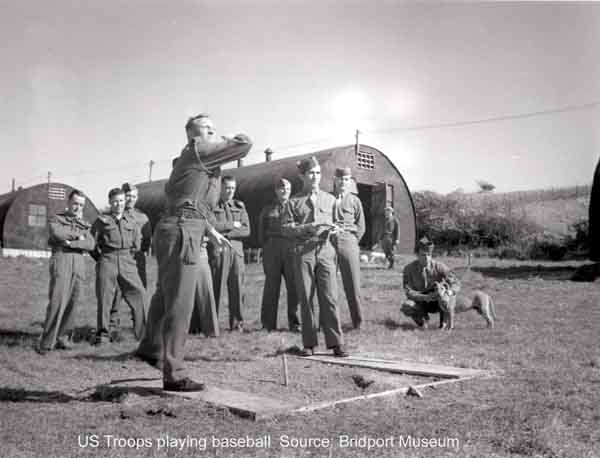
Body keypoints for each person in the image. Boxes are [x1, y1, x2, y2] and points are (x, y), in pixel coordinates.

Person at [135, 113, 251, 392]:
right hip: (182, 231)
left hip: (181, 226)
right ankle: (174, 373)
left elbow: (191, 203)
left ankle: (151, 348)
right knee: (181, 302)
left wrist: (209, 229)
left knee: (165, 295)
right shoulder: (200, 151)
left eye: (214, 129)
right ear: (194, 136)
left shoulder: (197, 160)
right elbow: (245, 144)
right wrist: (221, 138)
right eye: (208, 129)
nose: (214, 133)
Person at [284, 156, 348, 357]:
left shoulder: (329, 199)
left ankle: (336, 343)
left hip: (326, 251)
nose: (315, 177)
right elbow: (286, 228)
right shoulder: (293, 202)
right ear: (302, 176)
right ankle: (309, 344)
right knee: (307, 298)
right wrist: (307, 227)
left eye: (318, 173)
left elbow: (339, 221)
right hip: (304, 253)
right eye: (311, 173)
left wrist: (336, 229)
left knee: (330, 297)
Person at [38, 189, 95, 354]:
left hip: (78, 264)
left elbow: (90, 244)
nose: (78, 207)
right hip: (62, 260)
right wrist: (79, 237)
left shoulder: (85, 223)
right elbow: (57, 233)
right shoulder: (57, 218)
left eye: (81, 205)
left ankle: (64, 339)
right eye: (75, 203)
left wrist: (71, 243)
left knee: (73, 302)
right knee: (57, 300)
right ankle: (47, 342)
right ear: (68, 203)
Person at [91, 188, 147, 344]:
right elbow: (92, 244)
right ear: (110, 202)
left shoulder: (131, 221)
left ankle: (142, 334)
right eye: (115, 201)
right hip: (107, 259)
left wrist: (128, 257)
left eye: (121, 200)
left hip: (126, 259)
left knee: (140, 294)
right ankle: (103, 335)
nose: (119, 204)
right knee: (105, 298)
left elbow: (136, 244)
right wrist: (101, 259)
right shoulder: (101, 221)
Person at [108, 182, 152, 340]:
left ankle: (140, 329)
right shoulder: (114, 215)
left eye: (133, 196)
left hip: (137, 259)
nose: (130, 199)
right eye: (128, 196)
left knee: (140, 293)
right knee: (116, 294)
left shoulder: (142, 217)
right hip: (119, 258)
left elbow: (147, 239)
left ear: (137, 198)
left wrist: (138, 251)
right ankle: (112, 328)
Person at [258, 178, 300, 332]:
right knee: (271, 286)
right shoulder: (268, 209)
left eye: (288, 188)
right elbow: (261, 232)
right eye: (281, 188)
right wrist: (267, 247)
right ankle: (268, 324)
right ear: (276, 190)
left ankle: (295, 323)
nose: (285, 191)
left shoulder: (296, 207)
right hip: (273, 249)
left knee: (294, 286)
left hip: (291, 248)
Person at [208, 175, 250, 331]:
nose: (230, 191)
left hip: (236, 252)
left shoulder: (239, 206)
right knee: (216, 287)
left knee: (238, 289)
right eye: (227, 188)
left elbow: (246, 230)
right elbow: (213, 226)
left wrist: (227, 232)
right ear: (221, 188)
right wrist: (233, 225)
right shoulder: (212, 206)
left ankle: (237, 323)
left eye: (233, 188)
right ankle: (213, 323)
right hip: (219, 251)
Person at [400, 236, 461, 329]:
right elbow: (408, 291)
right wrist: (425, 297)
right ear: (417, 255)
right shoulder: (409, 269)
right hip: (421, 300)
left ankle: (443, 323)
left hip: (438, 300)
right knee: (407, 306)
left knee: (447, 297)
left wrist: (449, 292)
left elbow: (455, 282)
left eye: (429, 255)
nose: (427, 258)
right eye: (423, 255)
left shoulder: (439, 267)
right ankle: (423, 322)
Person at [332, 167, 365, 330]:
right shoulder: (327, 198)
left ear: (349, 181)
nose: (343, 182)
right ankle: (329, 322)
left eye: (346, 180)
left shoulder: (354, 201)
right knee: (328, 286)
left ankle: (358, 322)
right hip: (329, 243)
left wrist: (352, 241)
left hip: (348, 241)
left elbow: (361, 226)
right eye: (340, 179)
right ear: (335, 180)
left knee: (353, 285)